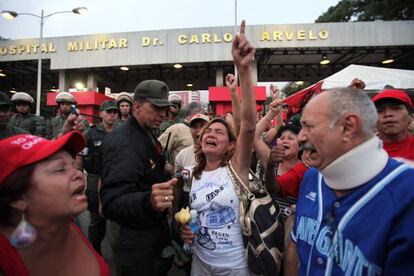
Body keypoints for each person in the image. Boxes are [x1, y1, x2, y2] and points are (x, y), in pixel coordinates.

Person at [285, 87, 414, 276]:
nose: (302, 136)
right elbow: (296, 247)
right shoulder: (311, 177)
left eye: (308, 126)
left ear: (348, 127)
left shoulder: (407, 194)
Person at [180, 20, 256, 275]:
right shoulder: (193, 172)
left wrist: (244, 72)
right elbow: (193, 215)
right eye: (207, 130)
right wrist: (185, 229)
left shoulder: (237, 168)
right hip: (199, 264)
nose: (210, 133)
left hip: (234, 267)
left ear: (230, 145)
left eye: (219, 131)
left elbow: (247, 126)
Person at [0, 131, 110, 276]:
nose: (78, 173)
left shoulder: (66, 225)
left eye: (72, 164)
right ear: (18, 198)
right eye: (59, 169)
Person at [100, 79, 177, 275]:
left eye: (164, 108)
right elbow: (111, 202)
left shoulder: (145, 131)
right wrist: (148, 201)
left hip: (150, 235)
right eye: (156, 108)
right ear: (136, 107)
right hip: (133, 242)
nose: (162, 114)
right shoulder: (123, 142)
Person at [80, 100, 118, 254]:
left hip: (117, 178)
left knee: (118, 215)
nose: (112, 115)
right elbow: (80, 157)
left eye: (115, 112)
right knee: (96, 218)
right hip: (94, 178)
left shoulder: (122, 131)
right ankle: (95, 251)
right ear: (101, 113)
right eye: (109, 112)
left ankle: (118, 252)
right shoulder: (90, 133)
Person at [372, 89, 414, 160]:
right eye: (380, 111)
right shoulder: (361, 151)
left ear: (411, 117)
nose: (388, 114)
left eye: (396, 108)